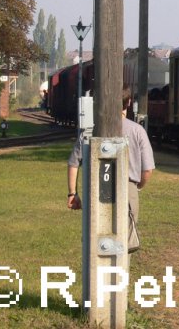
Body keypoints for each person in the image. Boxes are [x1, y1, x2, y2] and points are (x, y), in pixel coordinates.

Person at [66, 89, 156, 252]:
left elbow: (73, 162)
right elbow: (148, 170)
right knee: (124, 245)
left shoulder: (90, 131)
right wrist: (138, 187)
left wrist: (73, 193)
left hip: (96, 188)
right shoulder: (138, 131)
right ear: (128, 102)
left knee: (95, 242)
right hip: (128, 190)